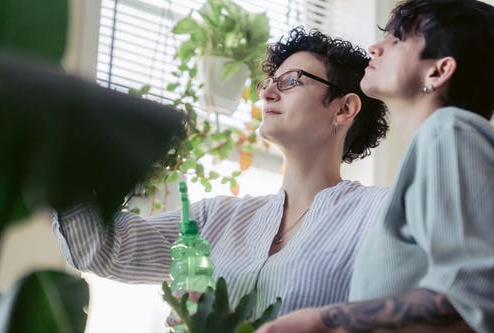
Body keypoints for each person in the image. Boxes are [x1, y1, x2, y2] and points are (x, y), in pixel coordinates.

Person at [53, 27, 389, 319]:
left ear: (344, 108)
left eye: (290, 81)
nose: (268, 93)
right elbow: (105, 250)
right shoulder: (219, 218)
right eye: (268, 83)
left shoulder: (379, 213)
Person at [256, 0, 494, 332]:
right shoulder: (432, 153)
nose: (375, 48)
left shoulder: (449, 132)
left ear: (438, 71)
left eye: (397, 39)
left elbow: (476, 295)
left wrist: (326, 319)